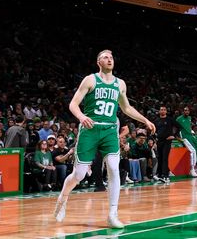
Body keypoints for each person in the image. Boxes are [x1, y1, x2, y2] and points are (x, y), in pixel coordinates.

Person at [53, 49, 155, 229]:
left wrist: (145, 120)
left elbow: (127, 108)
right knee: (79, 174)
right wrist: (81, 117)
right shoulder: (90, 79)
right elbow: (73, 104)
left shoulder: (120, 84)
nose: (109, 59)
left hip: (109, 130)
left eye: (111, 57)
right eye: (105, 57)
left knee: (114, 168)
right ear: (98, 62)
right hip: (90, 129)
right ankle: (63, 197)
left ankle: (112, 214)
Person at [176, 106, 197, 178]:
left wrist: (191, 131)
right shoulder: (179, 119)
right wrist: (178, 138)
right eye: (185, 110)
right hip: (184, 137)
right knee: (193, 151)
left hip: (191, 136)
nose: (186, 112)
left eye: (188, 110)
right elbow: (175, 128)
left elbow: (188, 126)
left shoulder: (189, 118)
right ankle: (192, 170)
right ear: (183, 111)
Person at [153, 105, 175, 183]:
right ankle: (159, 174)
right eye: (161, 109)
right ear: (159, 111)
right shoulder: (156, 121)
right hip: (159, 141)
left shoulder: (170, 120)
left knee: (165, 158)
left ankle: (165, 176)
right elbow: (153, 131)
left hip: (167, 141)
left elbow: (178, 127)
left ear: (166, 111)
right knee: (160, 158)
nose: (162, 111)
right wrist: (154, 139)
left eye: (164, 110)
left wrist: (173, 135)